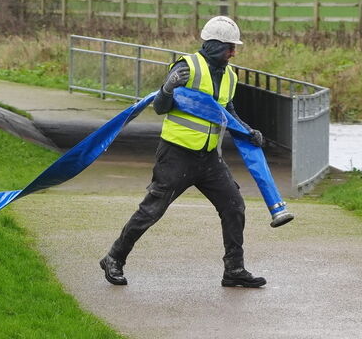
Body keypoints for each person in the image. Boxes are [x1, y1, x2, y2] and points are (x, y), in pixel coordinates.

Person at [99, 15, 268, 288]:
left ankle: (234, 270)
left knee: (234, 205)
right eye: (229, 47)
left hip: (209, 158)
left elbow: (228, 113)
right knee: (152, 210)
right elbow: (160, 107)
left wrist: (249, 132)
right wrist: (167, 88)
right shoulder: (186, 67)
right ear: (213, 45)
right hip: (176, 155)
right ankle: (114, 258)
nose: (234, 52)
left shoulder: (230, 76)